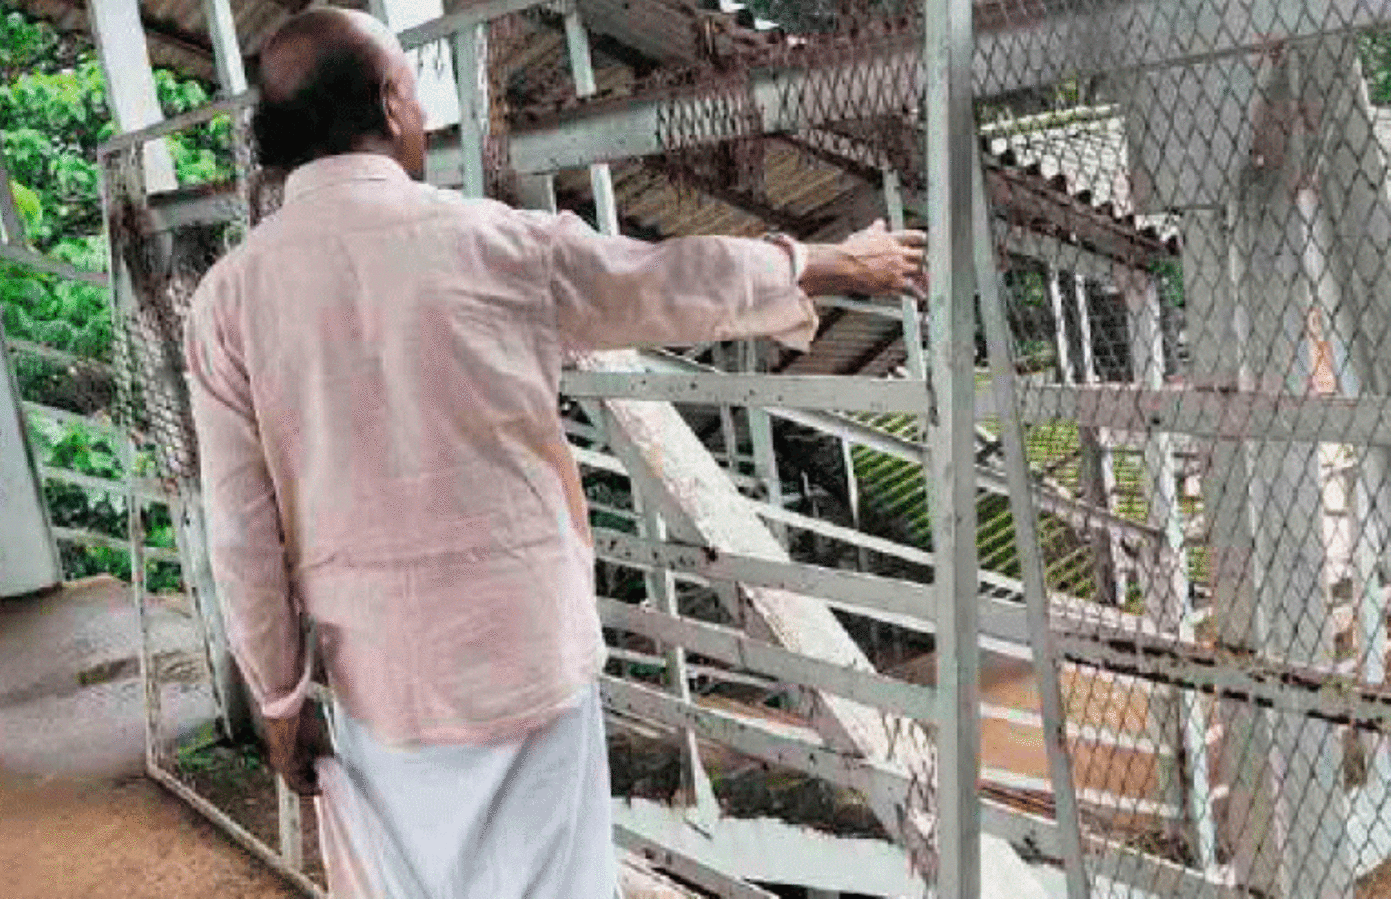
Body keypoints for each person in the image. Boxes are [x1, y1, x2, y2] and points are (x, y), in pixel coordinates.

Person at [183, 7, 927, 899]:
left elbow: (240, 531)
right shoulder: (498, 244)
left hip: (383, 682)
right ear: (389, 104)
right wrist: (824, 262)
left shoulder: (227, 302)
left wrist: (279, 697)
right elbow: (668, 282)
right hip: (530, 657)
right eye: (415, 97)